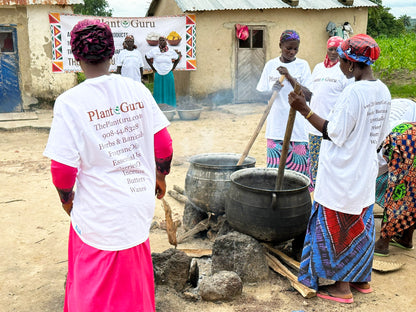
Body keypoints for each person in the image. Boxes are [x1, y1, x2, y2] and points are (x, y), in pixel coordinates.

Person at [43, 19, 173, 312]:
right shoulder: (136, 90)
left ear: (76, 57)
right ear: (112, 53)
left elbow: (62, 171)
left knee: (94, 284)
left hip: (99, 211)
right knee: (133, 278)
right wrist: (160, 177)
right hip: (138, 203)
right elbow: (163, 146)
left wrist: (67, 201)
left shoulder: (69, 102)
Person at [289, 34, 391, 303]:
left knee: (338, 228)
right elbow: (379, 136)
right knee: (360, 225)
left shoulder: (353, 92)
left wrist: (304, 110)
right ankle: (361, 280)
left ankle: (342, 288)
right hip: (364, 172)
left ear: (350, 64)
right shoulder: (383, 90)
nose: (341, 66)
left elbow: (333, 133)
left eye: (343, 61)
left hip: (342, 175)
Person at [256, 29, 313, 189]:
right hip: (275, 129)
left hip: (298, 131)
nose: (292, 52)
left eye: (295, 49)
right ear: (280, 45)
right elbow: (260, 94)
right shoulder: (270, 65)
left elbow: (308, 95)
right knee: (275, 179)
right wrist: (271, 90)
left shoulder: (303, 65)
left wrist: (289, 77)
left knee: (298, 179)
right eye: (288, 48)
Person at [307, 36, 353, 185]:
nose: (333, 53)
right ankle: (317, 199)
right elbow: (312, 93)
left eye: (337, 50)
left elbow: (348, 99)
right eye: (330, 49)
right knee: (315, 165)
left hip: (333, 128)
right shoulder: (318, 68)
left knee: (331, 165)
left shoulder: (344, 71)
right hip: (314, 127)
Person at [374, 98, 416, 256]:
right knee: (412, 188)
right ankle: (406, 238)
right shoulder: (406, 106)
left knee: (397, 190)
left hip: (400, 138)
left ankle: (383, 243)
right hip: (407, 134)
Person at [145, 36, 181, 107]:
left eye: (163, 40)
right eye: (160, 40)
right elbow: (147, 57)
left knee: (169, 91)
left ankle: (171, 107)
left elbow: (177, 58)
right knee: (158, 91)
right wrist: (153, 68)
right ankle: (158, 107)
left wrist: (173, 67)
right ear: (158, 42)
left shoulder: (171, 51)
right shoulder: (154, 50)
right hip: (158, 73)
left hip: (168, 73)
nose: (161, 42)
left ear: (166, 41)